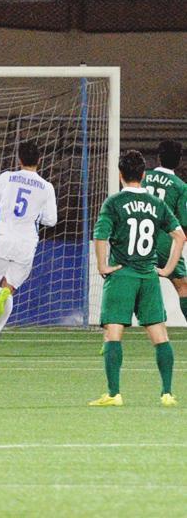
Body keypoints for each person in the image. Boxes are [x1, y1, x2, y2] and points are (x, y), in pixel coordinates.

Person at [89, 150, 185, 407]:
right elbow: (179, 237)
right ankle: (167, 393)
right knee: (159, 334)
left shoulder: (114, 203)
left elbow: (100, 235)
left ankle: (114, 394)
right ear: (143, 175)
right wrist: (167, 269)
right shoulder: (156, 204)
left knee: (113, 333)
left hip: (122, 275)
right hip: (148, 276)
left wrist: (102, 265)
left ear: (120, 174)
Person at [0, 141, 57, 349]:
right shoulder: (47, 187)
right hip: (26, 244)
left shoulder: (7, 177)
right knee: (9, 288)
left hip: (3, 239)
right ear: (39, 160)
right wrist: (35, 214)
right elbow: (51, 220)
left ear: (19, 159)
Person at [142, 140, 187, 321]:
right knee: (183, 287)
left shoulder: (143, 177)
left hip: (138, 240)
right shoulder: (180, 186)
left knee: (138, 283)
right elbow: (184, 222)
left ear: (158, 157)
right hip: (165, 243)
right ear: (179, 160)